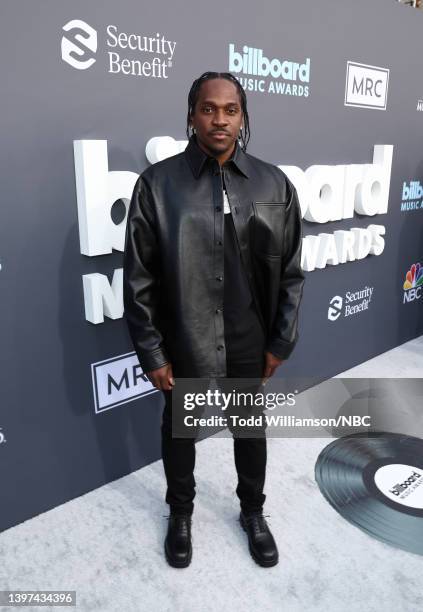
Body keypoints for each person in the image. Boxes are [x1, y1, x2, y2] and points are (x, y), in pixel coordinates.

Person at [123, 71, 304, 568]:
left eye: (230, 109)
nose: (219, 119)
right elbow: (138, 279)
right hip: (185, 334)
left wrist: (280, 341)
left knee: (249, 429)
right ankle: (180, 513)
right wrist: (154, 352)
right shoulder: (157, 186)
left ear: (243, 117)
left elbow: (291, 272)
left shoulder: (274, 183)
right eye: (208, 108)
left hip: (249, 336)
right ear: (191, 115)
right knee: (181, 430)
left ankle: (252, 511)